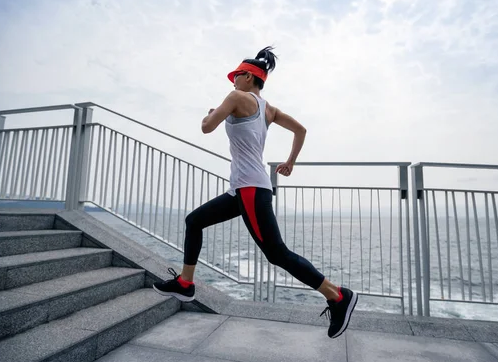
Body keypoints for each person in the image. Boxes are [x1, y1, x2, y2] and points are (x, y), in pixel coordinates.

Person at [153, 47, 358, 338]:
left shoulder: (237, 97)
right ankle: (186, 284)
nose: (233, 81)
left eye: (236, 76)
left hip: (250, 189)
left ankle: (338, 295)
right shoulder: (269, 109)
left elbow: (206, 128)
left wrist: (211, 115)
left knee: (277, 254)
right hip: (243, 190)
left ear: (248, 76)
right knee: (194, 221)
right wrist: (290, 162)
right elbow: (301, 131)